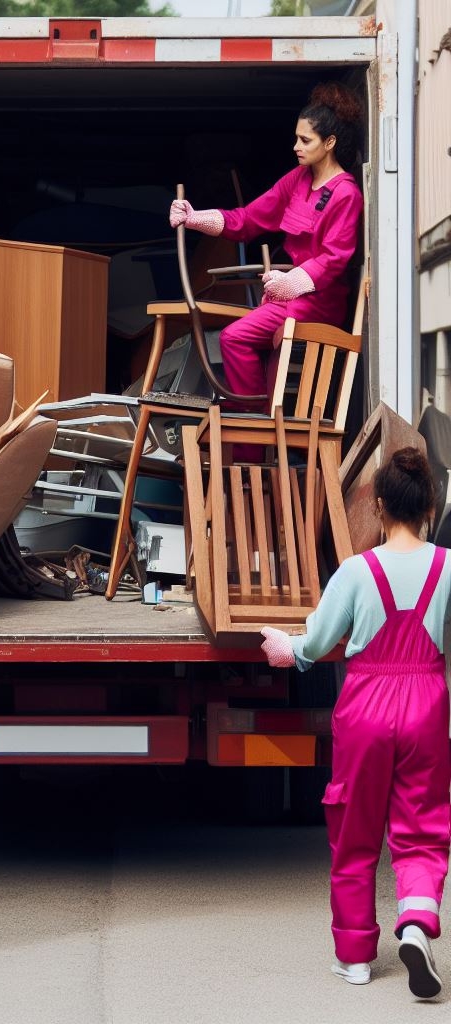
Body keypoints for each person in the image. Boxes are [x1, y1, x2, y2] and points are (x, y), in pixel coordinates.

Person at [261, 448, 451, 999]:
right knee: (422, 828)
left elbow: (319, 641)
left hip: (367, 704)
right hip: (427, 702)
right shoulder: (448, 567)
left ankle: (356, 958)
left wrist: (287, 648)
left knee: (354, 830)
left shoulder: (356, 571)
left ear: (380, 505)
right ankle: (415, 924)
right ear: (430, 507)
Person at [169, 82, 364, 411]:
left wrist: (291, 283)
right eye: (296, 138)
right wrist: (194, 218)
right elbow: (248, 219)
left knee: (253, 342)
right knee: (234, 338)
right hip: (290, 301)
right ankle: (255, 416)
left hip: (321, 303)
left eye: (305, 140)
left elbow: (334, 258)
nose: (296, 147)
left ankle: (259, 420)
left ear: (329, 143)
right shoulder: (297, 178)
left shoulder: (347, 193)